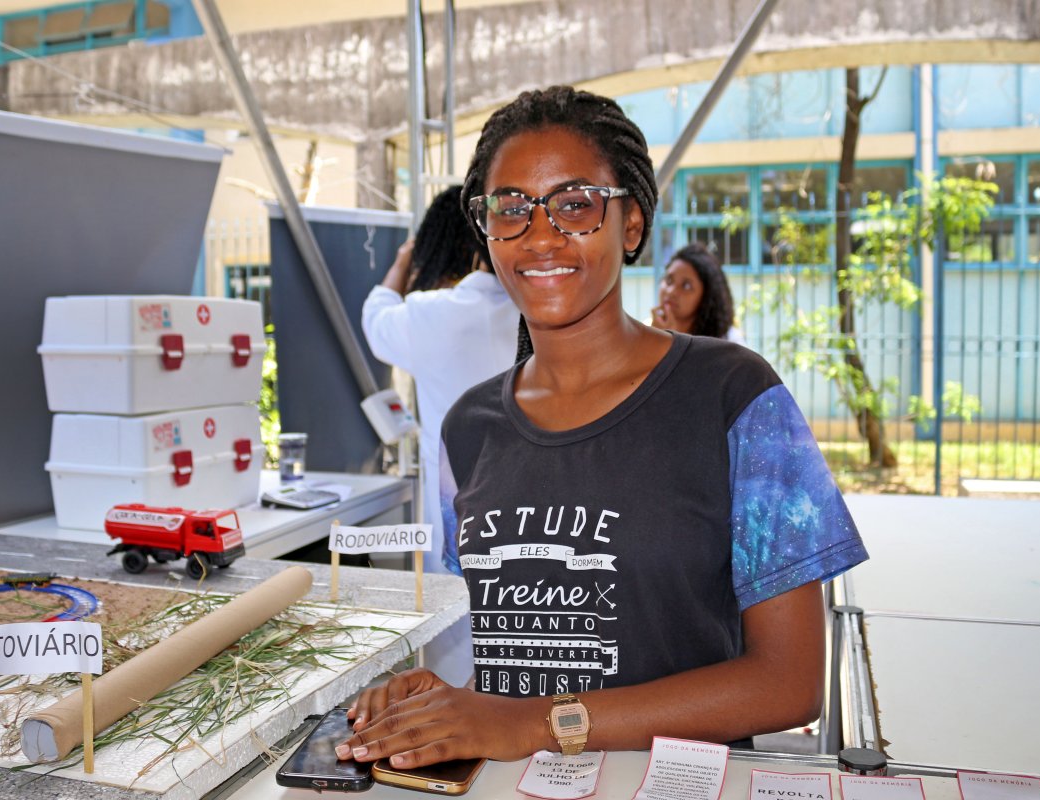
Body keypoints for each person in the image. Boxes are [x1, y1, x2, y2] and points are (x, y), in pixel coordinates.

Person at [339, 86, 867, 769]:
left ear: (633, 225)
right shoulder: (467, 428)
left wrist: (534, 723)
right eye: (511, 209)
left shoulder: (733, 394)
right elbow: (519, 663)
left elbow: (789, 683)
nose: (540, 235)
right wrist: (453, 706)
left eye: (575, 203)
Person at [361, 184, 520, 686]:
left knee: (454, 670)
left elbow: (375, 317)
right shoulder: (537, 309)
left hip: (455, 530)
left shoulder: (431, 314)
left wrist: (403, 263)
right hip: (537, 526)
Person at [652, 241, 747, 344]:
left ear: (707, 295)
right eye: (669, 280)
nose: (671, 292)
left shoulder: (730, 342)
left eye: (686, 286)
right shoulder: (650, 331)